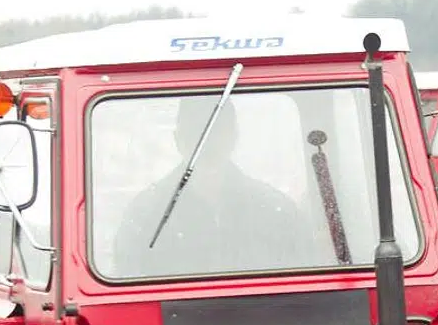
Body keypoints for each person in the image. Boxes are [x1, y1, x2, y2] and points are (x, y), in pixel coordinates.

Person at [110, 96, 309, 279]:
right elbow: (127, 282)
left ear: (234, 137)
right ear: (178, 140)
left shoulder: (276, 211)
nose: (206, 145)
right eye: (196, 133)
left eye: (216, 133)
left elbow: (304, 278)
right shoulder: (146, 213)